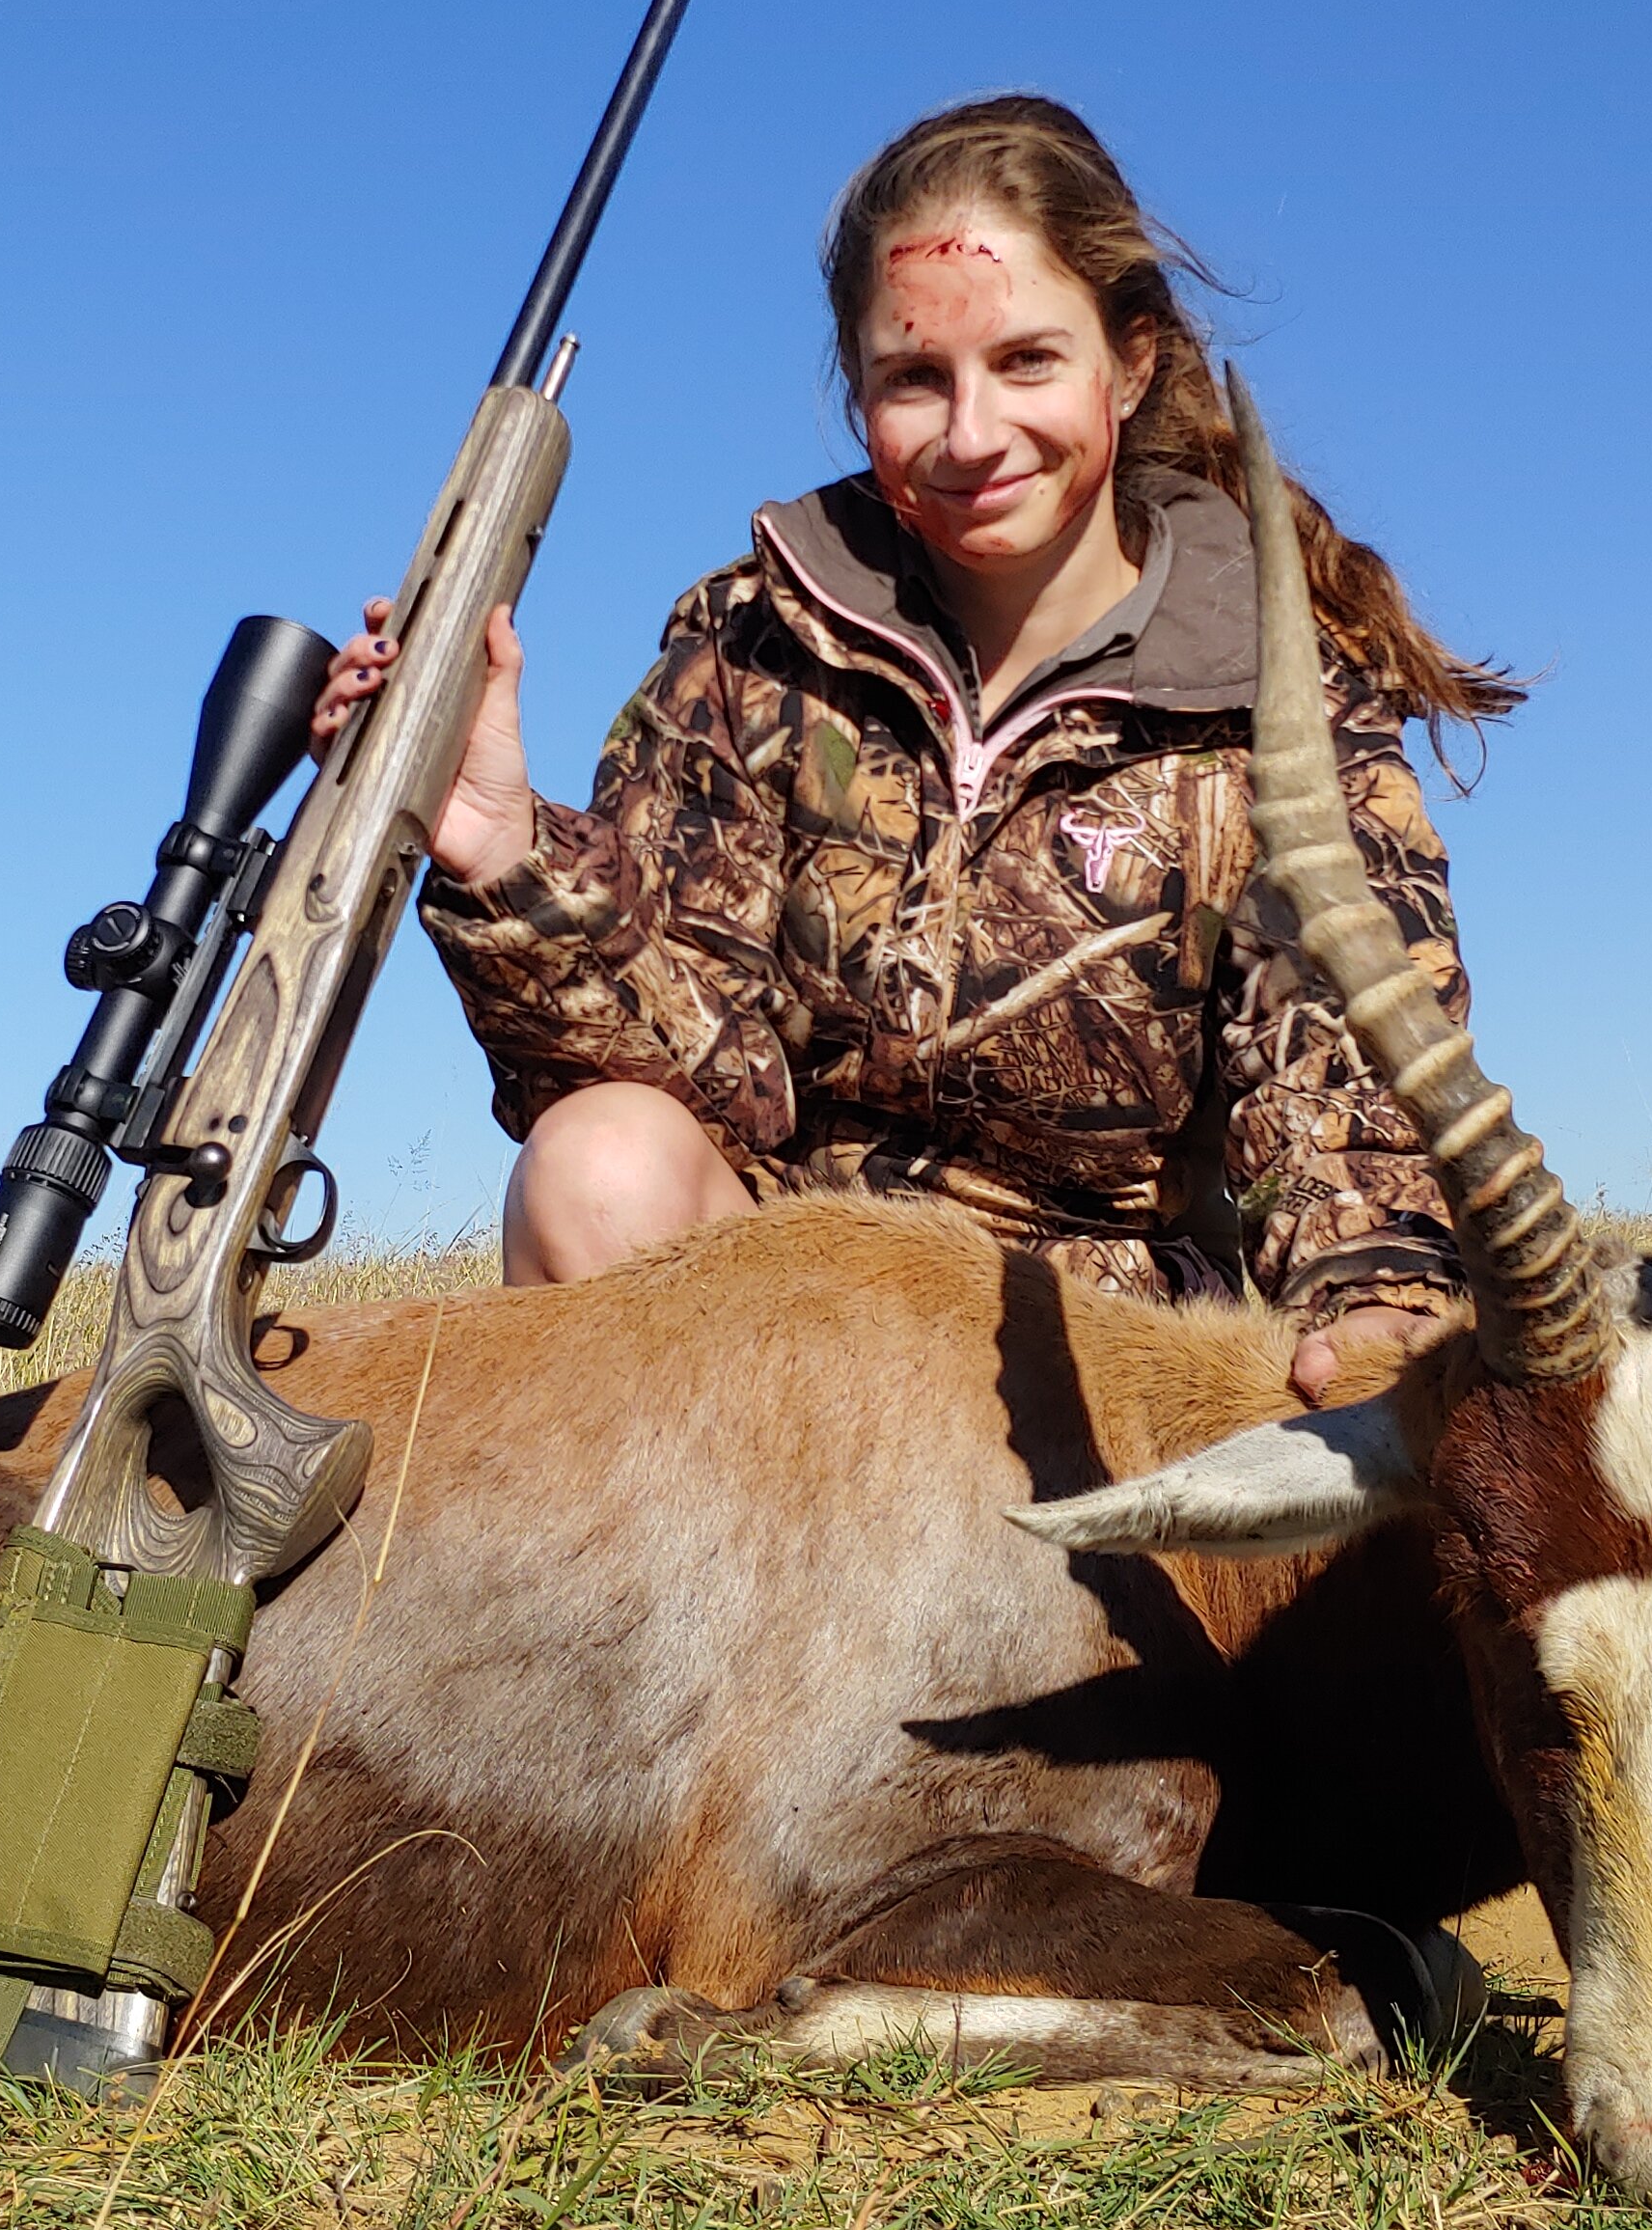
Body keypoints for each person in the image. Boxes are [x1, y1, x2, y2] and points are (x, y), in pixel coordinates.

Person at [311, 94, 1518, 1409]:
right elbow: (698, 1081)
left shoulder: (1283, 696)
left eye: (1027, 364)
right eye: (914, 380)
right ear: (857, 389)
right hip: (777, 1339)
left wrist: (1379, 1309)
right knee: (596, 1158)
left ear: (1133, 362)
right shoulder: (753, 639)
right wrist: (501, 851)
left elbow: (1341, 1089)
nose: (971, 435)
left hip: (1107, 1368)